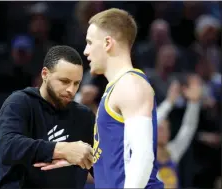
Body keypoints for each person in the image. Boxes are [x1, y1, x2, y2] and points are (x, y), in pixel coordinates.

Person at [37, 8, 164, 188]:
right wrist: (79, 158)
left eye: (89, 42)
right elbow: (119, 154)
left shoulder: (130, 85)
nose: (86, 51)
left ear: (107, 43)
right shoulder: (115, 88)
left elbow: (142, 157)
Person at [0, 45, 95, 188]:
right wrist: (62, 150)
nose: (71, 90)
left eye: (76, 83)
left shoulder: (84, 116)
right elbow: (8, 146)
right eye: (65, 81)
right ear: (45, 74)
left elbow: (100, 165)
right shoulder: (20, 102)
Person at [156, 77, 202, 188]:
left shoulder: (172, 152)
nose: (163, 132)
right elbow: (150, 124)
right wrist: (169, 102)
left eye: (166, 129)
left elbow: (188, 128)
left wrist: (194, 103)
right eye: (160, 128)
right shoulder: (145, 155)